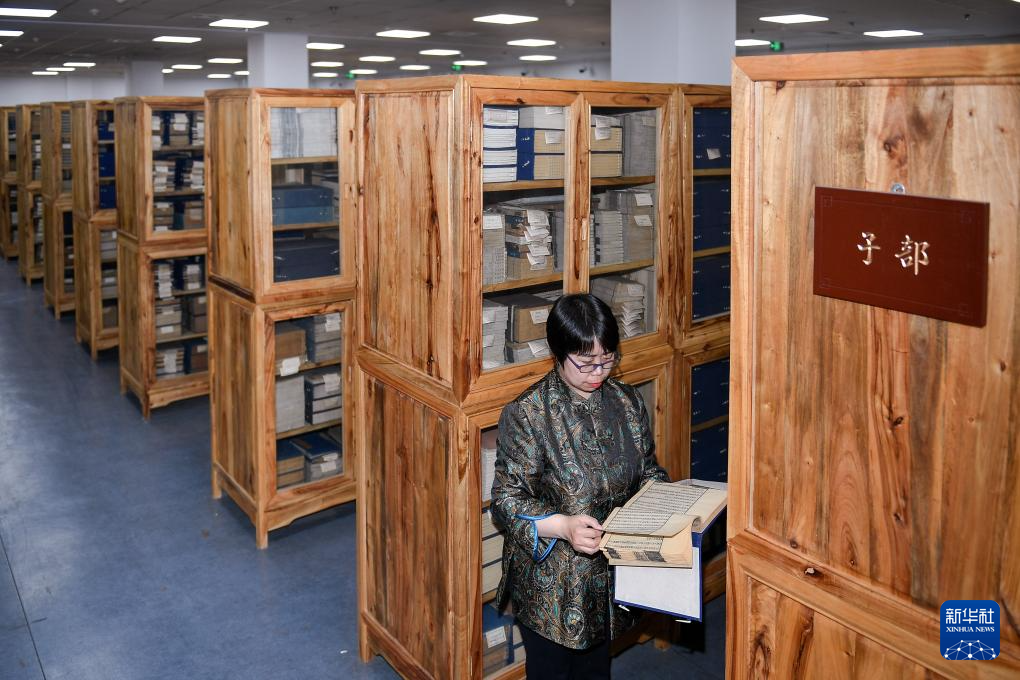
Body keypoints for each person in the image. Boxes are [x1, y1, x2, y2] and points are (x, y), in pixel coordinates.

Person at [490, 293, 668, 680]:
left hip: (609, 573)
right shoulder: (529, 413)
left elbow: (648, 471)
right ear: (558, 353)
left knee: (595, 671)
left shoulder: (626, 401)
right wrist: (563, 526)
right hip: (552, 584)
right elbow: (506, 499)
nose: (598, 372)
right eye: (586, 363)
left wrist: (668, 504)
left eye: (608, 359)